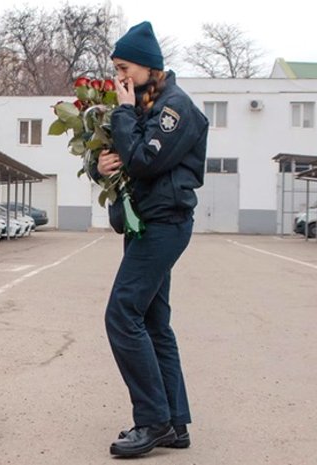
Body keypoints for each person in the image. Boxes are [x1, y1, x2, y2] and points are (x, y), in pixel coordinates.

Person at [91, 21, 208, 457]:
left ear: (148, 66)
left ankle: (153, 421)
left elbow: (141, 160)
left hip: (165, 224)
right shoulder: (145, 103)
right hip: (147, 222)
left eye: (124, 68)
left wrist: (122, 113)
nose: (119, 78)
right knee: (154, 323)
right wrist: (100, 165)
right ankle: (174, 423)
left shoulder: (176, 109)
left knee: (121, 314)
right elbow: (121, 158)